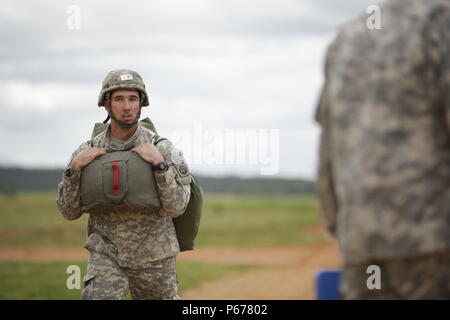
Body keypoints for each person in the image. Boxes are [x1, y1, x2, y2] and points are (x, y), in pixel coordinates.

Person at [315, 0, 450, 299]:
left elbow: (328, 150)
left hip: (361, 248)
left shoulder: (346, 39)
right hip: (434, 247)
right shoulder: (441, 24)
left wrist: (343, 228)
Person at [57, 69, 191, 300]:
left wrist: (160, 167)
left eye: (133, 99)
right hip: (106, 256)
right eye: (119, 99)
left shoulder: (164, 150)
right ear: (106, 105)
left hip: (155, 256)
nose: (127, 107)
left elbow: (178, 207)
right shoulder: (85, 152)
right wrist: (73, 172)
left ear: (141, 104)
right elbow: (68, 212)